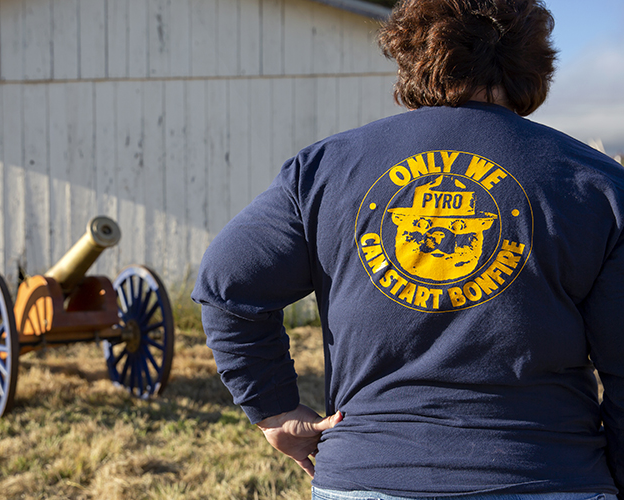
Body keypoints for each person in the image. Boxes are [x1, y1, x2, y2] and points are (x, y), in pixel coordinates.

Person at [191, 0, 624, 498]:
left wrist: (274, 409)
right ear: (534, 64)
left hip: (369, 474)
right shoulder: (597, 183)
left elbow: (227, 283)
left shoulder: (325, 171)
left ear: (410, 55)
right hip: (549, 474)